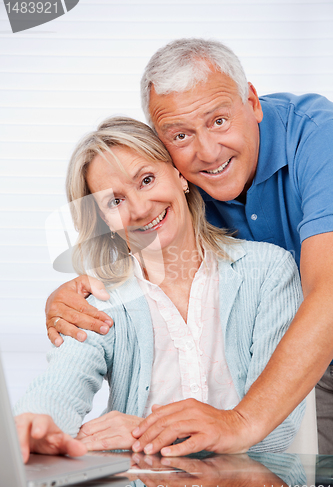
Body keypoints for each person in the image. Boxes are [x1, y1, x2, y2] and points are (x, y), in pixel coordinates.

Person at [44, 38, 333, 455]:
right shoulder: (179, 189)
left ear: (251, 101)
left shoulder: (318, 136)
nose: (207, 151)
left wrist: (240, 421)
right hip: (306, 355)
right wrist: (68, 298)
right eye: (181, 135)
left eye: (218, 121)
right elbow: (137, 234)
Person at [14, 117, 304, 462]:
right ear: (103, 219)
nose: (140, 209)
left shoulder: (270, 271)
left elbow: (276, 427)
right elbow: (60, 385)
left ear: (179, 175)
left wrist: (141, 432)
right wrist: (35, 423)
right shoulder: (101, 299)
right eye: (114, 201)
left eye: (147, 180)